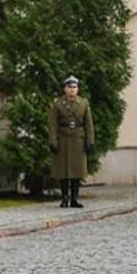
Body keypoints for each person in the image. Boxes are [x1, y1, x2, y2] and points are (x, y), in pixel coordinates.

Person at [49, 76, 94, 209]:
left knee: (77, 172)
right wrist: (53, 141)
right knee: (63, 173)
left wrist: (90, 140)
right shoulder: (58, 104)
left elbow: (89, 124)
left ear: (77, 89)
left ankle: (74, 199)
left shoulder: (83, 104)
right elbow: (53, 125)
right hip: (63, 140)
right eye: (69, 87)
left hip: (78, 140)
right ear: (65, 89)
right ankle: (64, 199)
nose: (72, 90)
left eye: (74, 87)